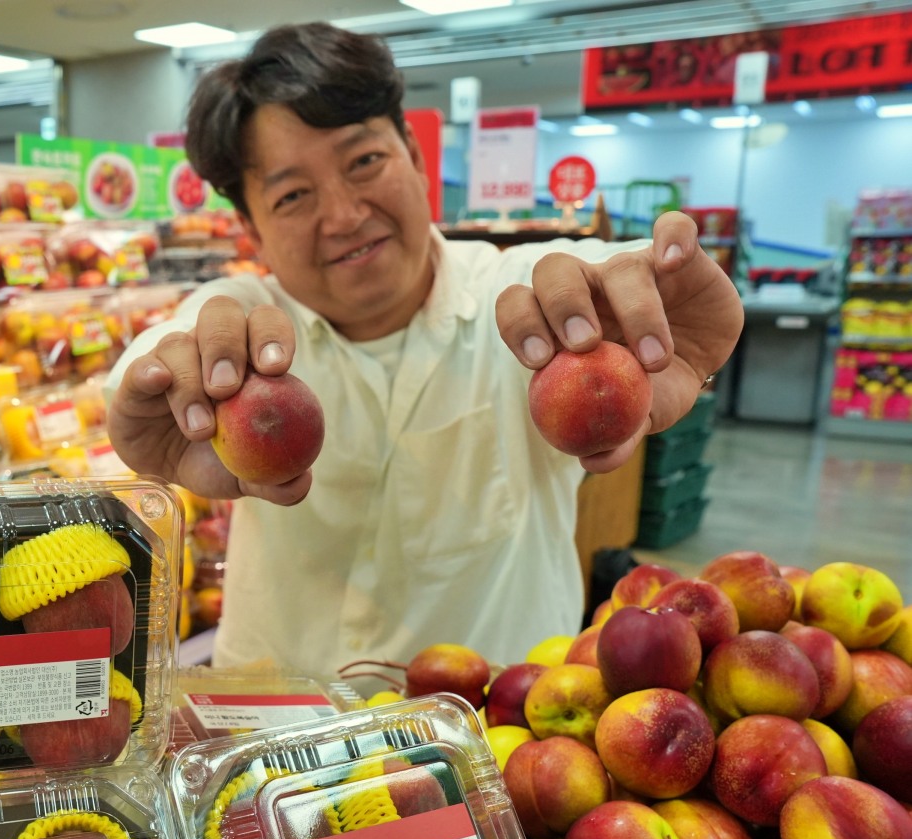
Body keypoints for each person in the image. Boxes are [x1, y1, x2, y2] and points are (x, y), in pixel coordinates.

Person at [105, 23, 743, 680]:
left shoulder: (522, 297)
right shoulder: (246, 322)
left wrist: (669, 327)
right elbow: (173, 346)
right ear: (249, 226)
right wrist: (152, 396)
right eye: (293, 195)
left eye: (364, 162)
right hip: (279, 728)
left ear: (413, 153)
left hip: (499, 729)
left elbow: (597, 276)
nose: (346, 215)